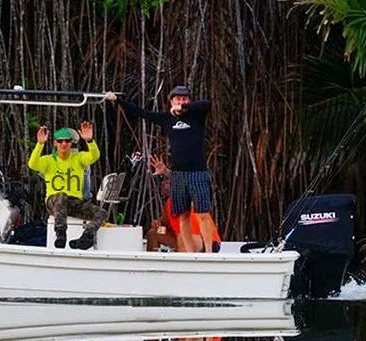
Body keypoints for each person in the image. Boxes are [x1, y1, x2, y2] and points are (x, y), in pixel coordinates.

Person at [105, 86, 215, 253]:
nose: (181, 101)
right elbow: (141, 113)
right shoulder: (166, 119)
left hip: (197, 172)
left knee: (203, 213)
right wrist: (118, 100)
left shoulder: (196, 115)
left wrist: (184, 108)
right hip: (178, 174)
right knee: (183, 215)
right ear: (171, 101)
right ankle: (190, 253)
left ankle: (209, 252)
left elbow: (206, 104)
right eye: (177, 99)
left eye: (184, 99)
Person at [28, 122, 106, 249]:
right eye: (60, 141)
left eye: (67, 141)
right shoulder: (48, 160)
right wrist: (40, 144)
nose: (63, 144)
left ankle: (86, 237)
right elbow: (32, 164)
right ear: (55, 143)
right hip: (54, 202)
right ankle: (60, 234)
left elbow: (94, 155)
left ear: (71, 143)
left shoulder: (78, 158)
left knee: (101, 212)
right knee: (61, 196)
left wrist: (90, 141)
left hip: (74, 202)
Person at [146, 155, 221, 253]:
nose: (166, 186)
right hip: (181, 237)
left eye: (169, 183)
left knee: (184, 237)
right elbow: (164, 225)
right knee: (153, 233)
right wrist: (157, 224)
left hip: (206, 241)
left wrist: (167, 172)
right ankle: (153, 264)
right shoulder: (169, 204)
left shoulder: (191, 198)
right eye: (164, 183)